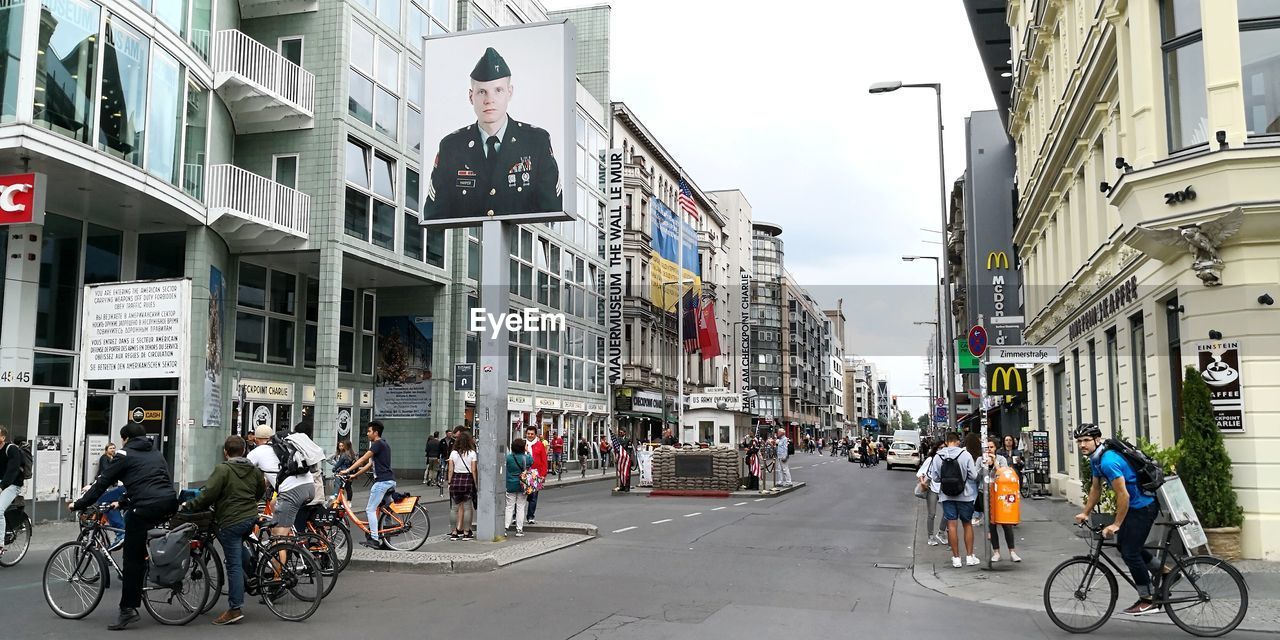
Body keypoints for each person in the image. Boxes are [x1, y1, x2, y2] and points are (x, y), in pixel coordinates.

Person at [423, 46, 561, 221]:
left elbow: (552, 214)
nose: (489, 100)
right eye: (482, 92)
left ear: (509, 93)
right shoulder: (451, 147)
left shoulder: (536, 142)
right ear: (471, 96)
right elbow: (434, 218)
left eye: (498, 90)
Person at [70, 424, 178, 630]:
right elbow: (150, 482)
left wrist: (79, 504)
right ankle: (151, 566)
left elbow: (102, 483)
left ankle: (128, 609)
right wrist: (123, 502)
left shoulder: (124, 454)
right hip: (168, 503)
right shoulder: (156, 453)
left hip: (145, 507)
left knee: (132, 558)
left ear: (125, 439)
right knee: (145, 541)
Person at [1074, 423, 1161, 615]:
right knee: (1125, 547)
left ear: (1097, 440)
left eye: (1086, 440)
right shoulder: (1096, 459)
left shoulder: (1108, 461)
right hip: (1135, 507)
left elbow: (1124, 496)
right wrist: (1086, 512)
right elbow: (1096, 488)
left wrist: (1116, 524)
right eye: (1079, 441)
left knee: (1130, 553)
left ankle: (1149, 599)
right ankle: (1165, 571)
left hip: (1143, 507)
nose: (1082, 444)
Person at [179, 435, 266, 626]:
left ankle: (235, 608)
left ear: (226, 452)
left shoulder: (223, 469)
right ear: (244, 451)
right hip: (250, 517)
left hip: (230, 520)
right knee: (239, 548)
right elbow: (260, 490)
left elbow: (208, 494)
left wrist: (189, 505)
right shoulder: (253, 469)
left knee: (232, 564)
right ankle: (252, 576)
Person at [927, 431, 980, 568]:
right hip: (965, 495)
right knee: (967, 524)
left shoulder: (938, 456)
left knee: (951, 525)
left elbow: (935, 478)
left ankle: (956, 558)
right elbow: (973, 476)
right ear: (957, 441)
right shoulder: (965, 454)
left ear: (946, 441)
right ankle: (969, 557)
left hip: (946, 495)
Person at [340, 421, 396, 549]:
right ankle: (388, 542)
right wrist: (355, 475)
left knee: (370, 509)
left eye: (369, 431)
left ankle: (374, 539)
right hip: (390, 480)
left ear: (376, 433)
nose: (367, 434)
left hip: (382, 482)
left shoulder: (377, 444)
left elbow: (363, 459)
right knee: (387, 511)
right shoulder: (384, 444)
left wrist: (348, 470)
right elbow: (369, 464)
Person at [982, 438, 1021, 562]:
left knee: (1006, 524)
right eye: (987, 447)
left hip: (1000, 494)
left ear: (996, 448)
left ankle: (1012, 551)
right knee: (992, 525)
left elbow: (1005, 474)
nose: (989, 450)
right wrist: (984, 466)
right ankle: (996, 552)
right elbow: (976, 476)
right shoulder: (980, 459)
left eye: (991, 447)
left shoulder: (1001, 459)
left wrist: (994, 464)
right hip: (986, 494)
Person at [446, 430, 477, 540]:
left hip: (455, 479)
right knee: (468, 508)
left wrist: (449, 482)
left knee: (454, 508)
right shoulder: (472, 453)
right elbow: (473, 470)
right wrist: (476, 483)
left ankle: (454, 532)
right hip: (468, 480)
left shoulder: (453, 453)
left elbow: (450, 470)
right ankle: (466, 532)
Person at [0, 426, 25, 559]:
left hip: (12, 484)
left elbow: (12, 471)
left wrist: (2, 486)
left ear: (3, 438)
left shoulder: (12, 449)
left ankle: (0, 545)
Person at [917, 442, 948, 546]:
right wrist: (922, 482)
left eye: (944, 448)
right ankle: (930, 536)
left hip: (944, 489)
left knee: (948, 513)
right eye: (940, 448)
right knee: (932, 514)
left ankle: (941, 532)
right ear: (936, 449)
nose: (942, 450)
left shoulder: (948, 460)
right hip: (932, 488)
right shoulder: (931, 459)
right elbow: (921, 472)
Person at [505, 438, 533, 537]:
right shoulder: (526, 458)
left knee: (509, 506)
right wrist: (528, 451)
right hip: (523, 484)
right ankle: (519, 529)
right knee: (521, 507)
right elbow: (532, 461)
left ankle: (505, 527)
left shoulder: (508, 458)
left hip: (510, 484)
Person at [523, 426, 548, 524]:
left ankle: (530, 517)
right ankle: (516, 516)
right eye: (528, 434)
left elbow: (544, 461)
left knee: (533, 497)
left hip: (535, 473)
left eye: (532, 434)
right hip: (524, 473)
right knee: (521, 496)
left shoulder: (540, 445)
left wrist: (543, 475)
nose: (530, 435)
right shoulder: (522, 444)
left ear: (535, 435)